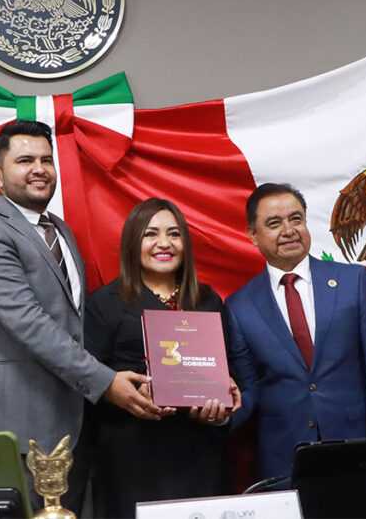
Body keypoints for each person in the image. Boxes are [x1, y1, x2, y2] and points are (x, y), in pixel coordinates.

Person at [0, 120, 160, 514]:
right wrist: (106, 381)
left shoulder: (60, 231)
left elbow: (73, 323)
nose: (40, 169)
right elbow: (29, 322)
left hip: (71, 419)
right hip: (15, 418)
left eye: (47, 160)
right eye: (25, 160)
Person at [85, 198, 241, 517]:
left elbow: (230, 373)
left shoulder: (209, 301)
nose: (164, 243)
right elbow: (85, 388)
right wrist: (123, 397)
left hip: (202, 460)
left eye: (174, 233)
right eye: (150, 234)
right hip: (132, 460)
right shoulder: (104, 304)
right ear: (132, 242)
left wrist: (224, 404)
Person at [225, 182, 366, 483]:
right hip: (284, 460)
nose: (288, 230)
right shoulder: (239, 306)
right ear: (253, 235)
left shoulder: (353, 281)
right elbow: (250, 387)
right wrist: (219, 412)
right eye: (274, 223)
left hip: (359, 451)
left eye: (296, 219)